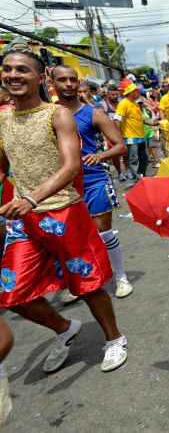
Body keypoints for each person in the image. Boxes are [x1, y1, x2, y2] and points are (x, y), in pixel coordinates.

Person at [0, 49, 127, 373]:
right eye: (8, 69)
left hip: (63, 212)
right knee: (13, 293)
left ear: (40, 78)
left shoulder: (57, 115)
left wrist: (31, 198)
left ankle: (114, 338)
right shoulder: (1, 118)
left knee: (87, 284)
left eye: (23, 70)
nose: (14, 75)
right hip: (22, 220)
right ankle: (64, 328)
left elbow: (71, 166)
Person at [52, 65, 133, 299]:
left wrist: (101, 155)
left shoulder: (93, 112)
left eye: (72, 79)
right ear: (52, 83)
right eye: (62, 80)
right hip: (64, 185)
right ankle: (83, 280)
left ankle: (120, 277)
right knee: (73, 236)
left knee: (103, 232)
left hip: (94, 180)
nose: (68, 84)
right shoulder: (49, 114)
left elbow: (120, 145)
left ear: (78, 83)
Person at [116, 83, 149, 181]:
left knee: (144, 158)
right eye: (137, 91)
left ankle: (142, 175)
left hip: (140, 136)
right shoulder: (123, 103)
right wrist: (118, 138)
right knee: (134, 159)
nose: (139, 93)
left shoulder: (135, 103)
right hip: (130, 137)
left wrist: (153, 123)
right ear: (132, 92)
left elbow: (141, 119)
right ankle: (138, 179)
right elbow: (117, 120)